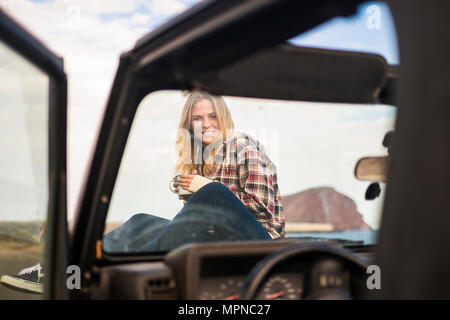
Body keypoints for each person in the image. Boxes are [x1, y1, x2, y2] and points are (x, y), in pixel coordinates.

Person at [0, 90, 285, 293]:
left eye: (213, 116)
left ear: (223, 119)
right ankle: (65, 268)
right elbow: (196, 224)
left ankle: (110, 276)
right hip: (222, 243)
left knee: (212, 194)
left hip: (260, 246)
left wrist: (207, 190)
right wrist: (196, 197)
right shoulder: (204, 160)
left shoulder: (240, 143)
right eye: (198, 119)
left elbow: (263, 209)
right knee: (142, 221)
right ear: (190, 125)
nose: (207, 124)